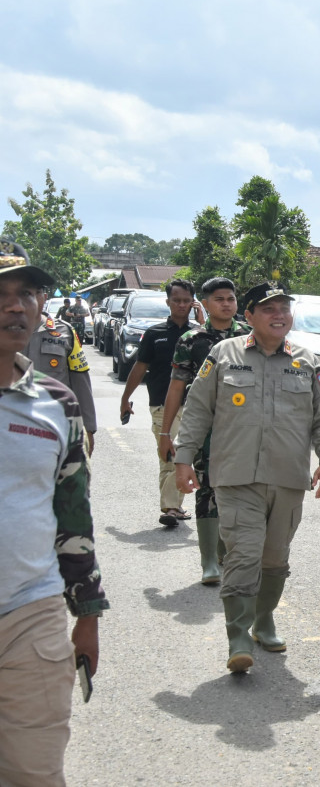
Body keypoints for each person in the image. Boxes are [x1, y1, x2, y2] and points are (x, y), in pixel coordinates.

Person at [173, 280, 320, 673]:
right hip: (236, 477)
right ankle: (237, 636)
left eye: (284, 308)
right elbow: (197, 409)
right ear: (249, 316)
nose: (279, 314)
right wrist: (183, 458)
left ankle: (264, 618)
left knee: (274, 559)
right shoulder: (223, 354)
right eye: (269, 308)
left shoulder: (307, 361)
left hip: (287, 478)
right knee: (244, 554)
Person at [0, 238, 108, 786]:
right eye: (0, 294)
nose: (15, 306)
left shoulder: (54, 403)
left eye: (26, 294)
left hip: (30, 614)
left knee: (35, 772)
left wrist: (85, 614)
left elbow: (74, 517)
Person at [159, 277, 250, 585]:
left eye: (231, 298)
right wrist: (165, 433)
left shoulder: (252, 336)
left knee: (237, 489)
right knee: (208, 487)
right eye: (220, 299)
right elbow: (176, 386)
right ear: (207, 304)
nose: (227, 303)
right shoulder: (192, 339)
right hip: (207, 427)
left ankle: (225, 549)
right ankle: (209, 561)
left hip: (246, 428)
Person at [119, 278, 198, 527]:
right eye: (177, 300)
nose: (181, 305)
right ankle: (172, 508)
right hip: (161, 405)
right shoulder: (154, 334)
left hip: (195, 406)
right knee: (170, 455)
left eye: (186, 301)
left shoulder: (199, 333)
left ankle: (173, 506)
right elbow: (140, 367)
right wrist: (125, 398)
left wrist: (203, 319)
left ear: (193, 303)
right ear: (168, 302)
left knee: (182, 457)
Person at [25, 302, 98, 456]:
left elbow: (80, 380)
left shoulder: (66, 331)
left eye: (31, 292)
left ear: (43, 297)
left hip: (55, 429)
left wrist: (88, 428)